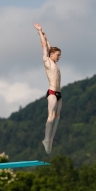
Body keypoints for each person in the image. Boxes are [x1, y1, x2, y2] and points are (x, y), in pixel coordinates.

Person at [34, 23, 62, 154]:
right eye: (58, 55)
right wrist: (40, 32)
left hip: (59, 93)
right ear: (51, 55)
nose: (59, 57)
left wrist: (46, 35)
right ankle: (46, 139)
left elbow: (49, 46)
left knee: (57, 117)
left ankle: (50, 140)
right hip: (51, 93)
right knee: (51, 117)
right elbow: (45, 47)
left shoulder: (54, 63)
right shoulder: (47, 61)